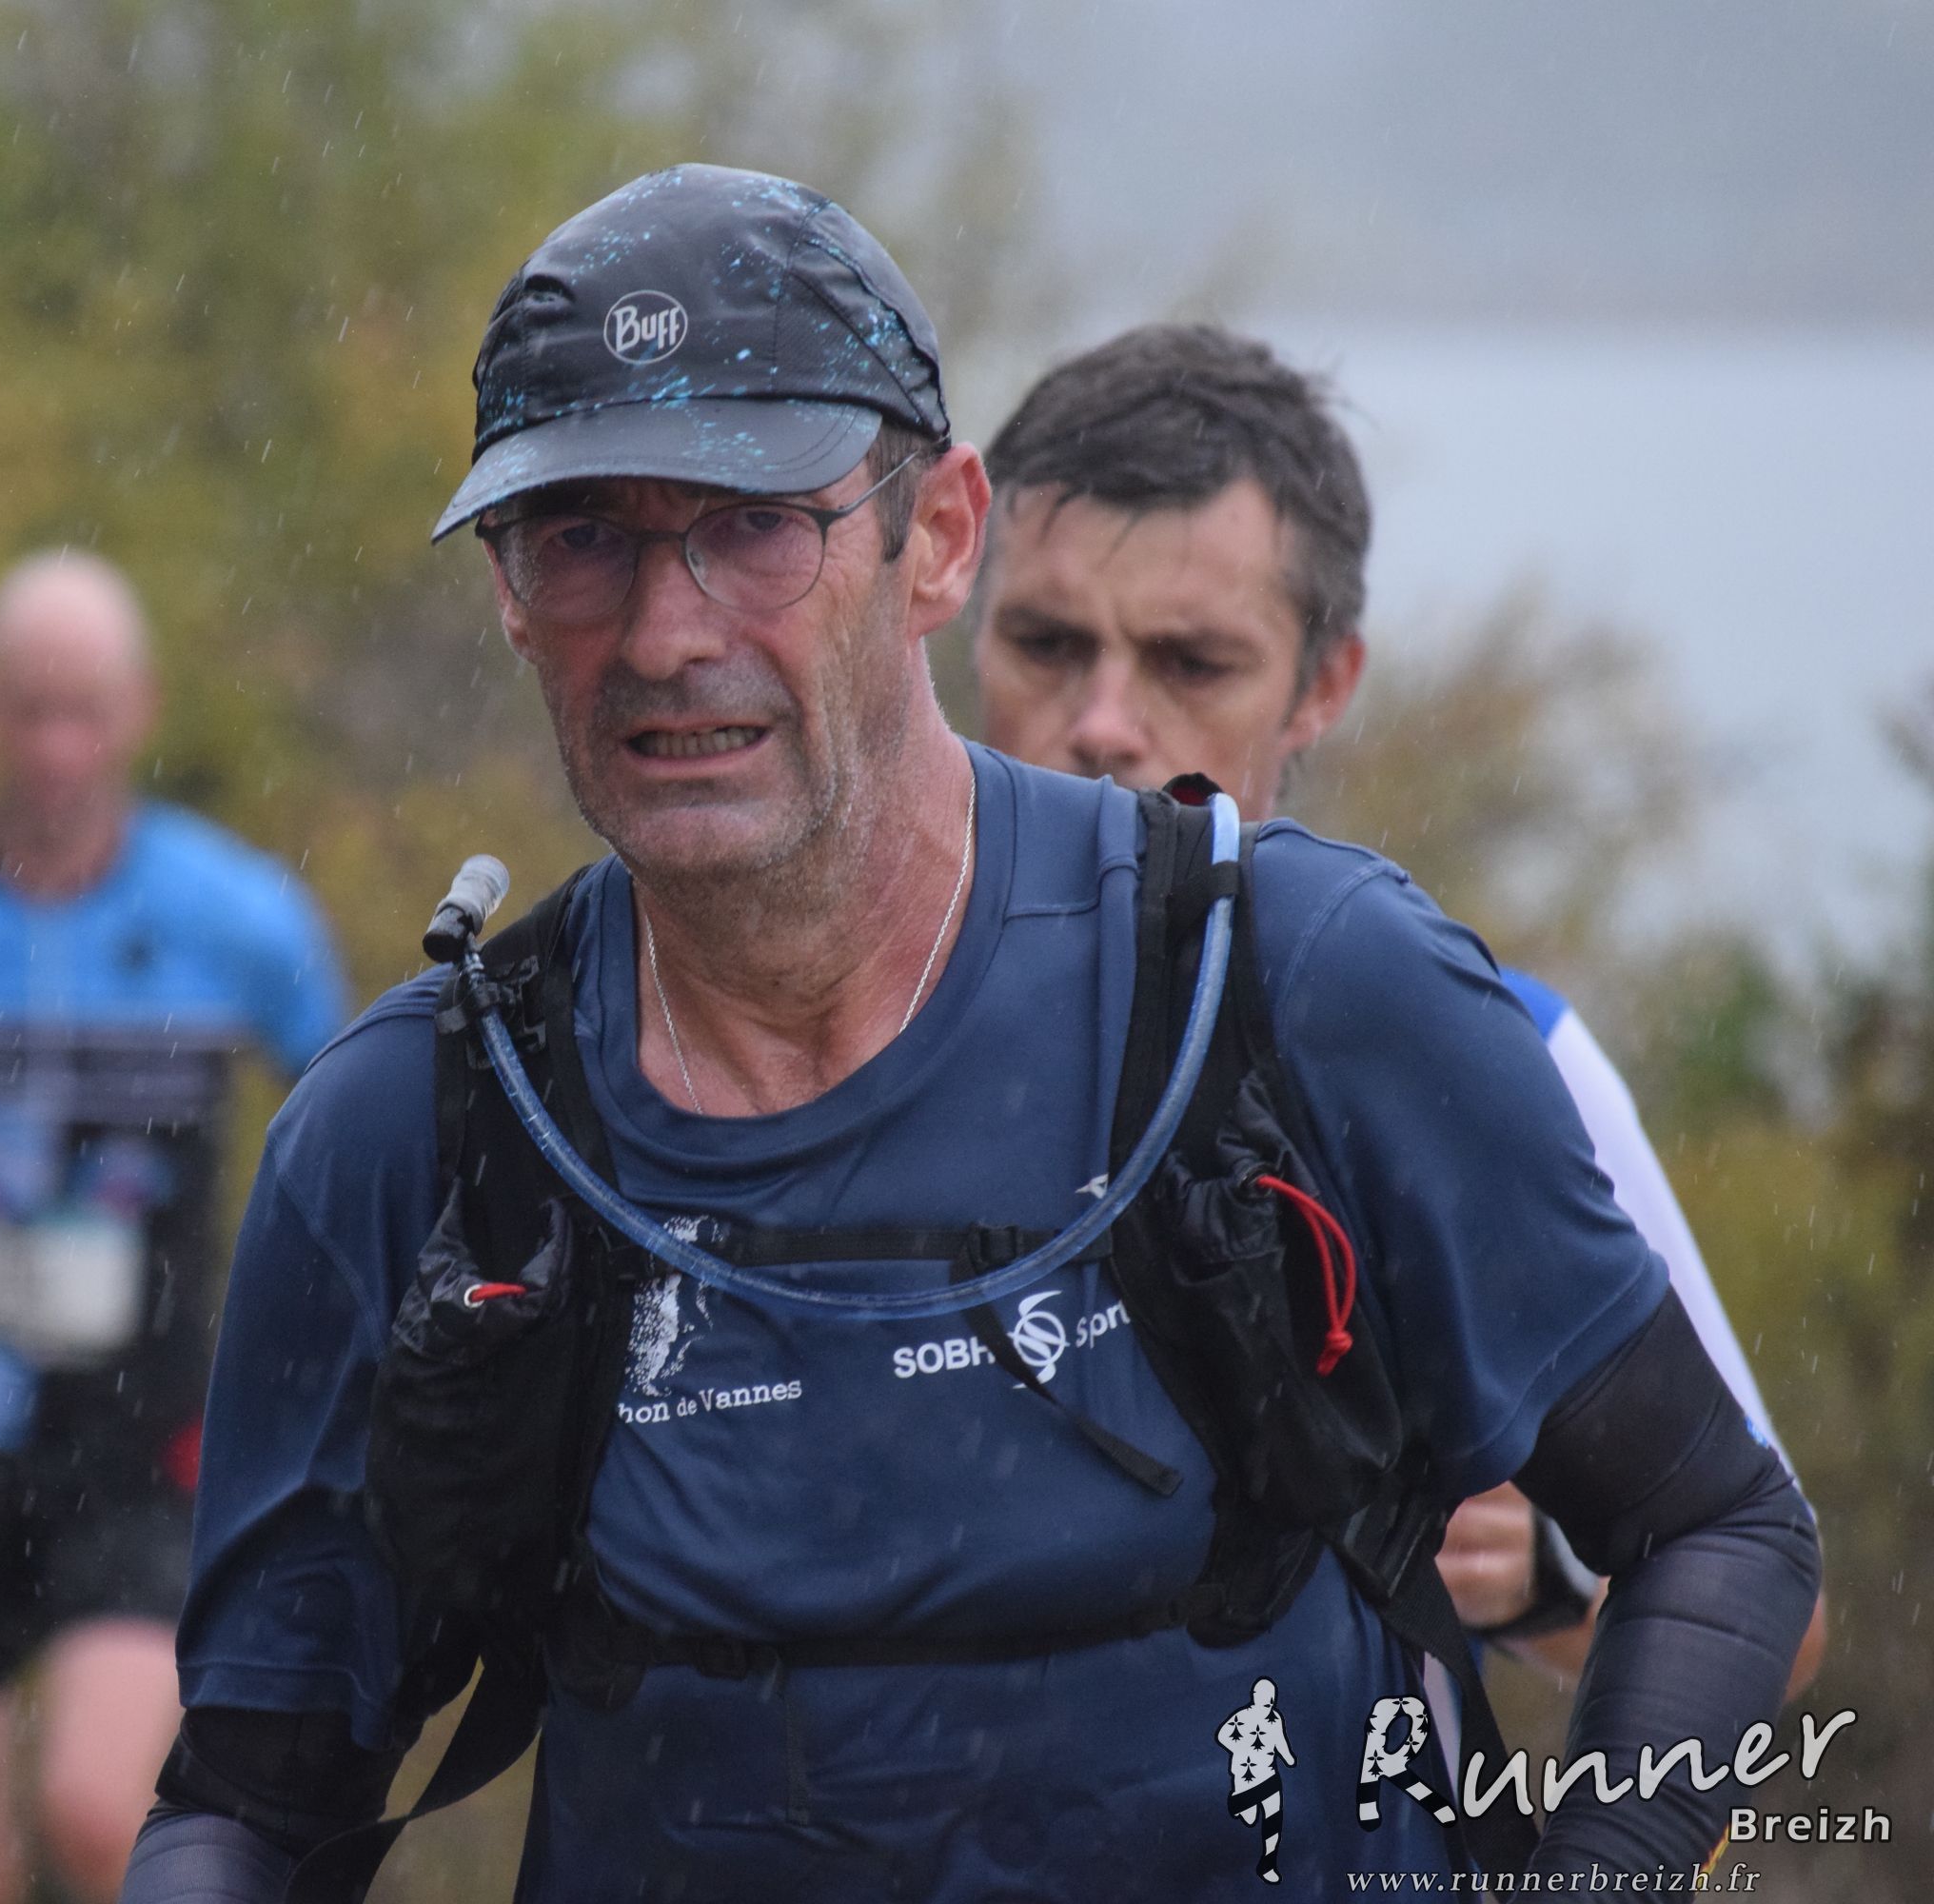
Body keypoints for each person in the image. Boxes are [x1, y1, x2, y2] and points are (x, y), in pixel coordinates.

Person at [122, 167, 1819, 1898]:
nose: (664, 632)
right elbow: (251, 1803)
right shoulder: (431, 1132)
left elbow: (1719, 1531)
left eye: (754, 525)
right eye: (582, 540)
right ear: (505, 588)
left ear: (936, 537)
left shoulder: (1297, 989)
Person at [966, 322, 1827, 1694]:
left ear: (1324, 685)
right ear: (961, 605)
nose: (1104, 721)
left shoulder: (1486, 1052)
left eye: (1192, 662)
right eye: (1047, 642)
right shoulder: (796, 1040)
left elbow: (1773, 1608)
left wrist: (1546, 1583)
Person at [0, 552, 349, 1904]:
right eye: (29, 710)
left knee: (101, 1815)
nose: (56, 748)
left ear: (138, 709)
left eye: (83, 712)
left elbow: (356, 1122)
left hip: (147, 1439)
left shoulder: (239, 920)